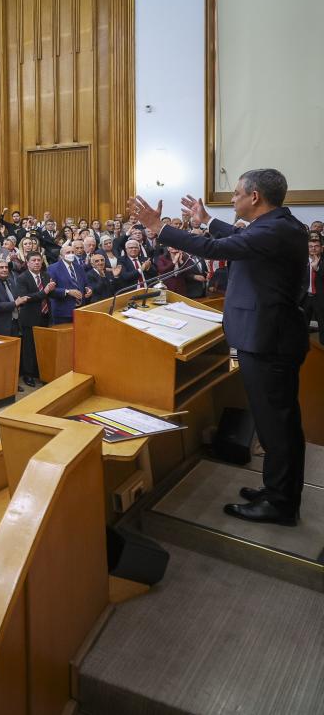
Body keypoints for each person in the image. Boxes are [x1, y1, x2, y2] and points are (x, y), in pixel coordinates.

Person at [130, 169, 309, 525]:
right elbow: (237, 238)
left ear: (255, 196)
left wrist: (159, 228)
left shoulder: (274, 230)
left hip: (269, 342)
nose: (232, 199)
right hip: (270, 338)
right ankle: (277, 490)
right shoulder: (277, 226)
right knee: (275, 422)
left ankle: (281, 504)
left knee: (277, 426)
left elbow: (217, 248)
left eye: (236, 193)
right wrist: (208, 221)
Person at [12, 253, 54, 387]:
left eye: (39, 260)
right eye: (33, 260)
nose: (37, 262)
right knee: (29, 347)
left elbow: (51, 293)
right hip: (29, 317)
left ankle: (39, 371)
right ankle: (28, 374)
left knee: (42, 346)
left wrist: (66, 291)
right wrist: (44, 292)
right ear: (27, 262)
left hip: (45, 315)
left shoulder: (45, 275)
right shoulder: (22, 278)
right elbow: (25, 297)